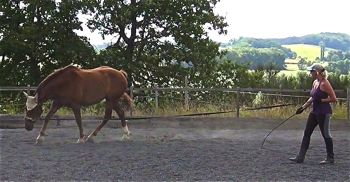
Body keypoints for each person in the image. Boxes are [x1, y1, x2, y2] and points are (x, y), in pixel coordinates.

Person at [290, 63, 337, 164]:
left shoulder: (325, 83)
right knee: (307, 133)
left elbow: (334, 99)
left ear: (317, 72)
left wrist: (322, 101)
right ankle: (300, 157)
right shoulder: (315, 82)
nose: (310, 73)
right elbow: (312, 97)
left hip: (324, 113)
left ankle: (330, 158)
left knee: (326, 134)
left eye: (311, 71)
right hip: (315, 112)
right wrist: (303, 107)